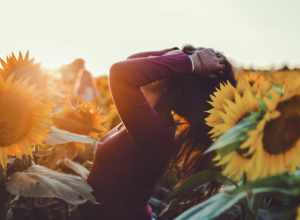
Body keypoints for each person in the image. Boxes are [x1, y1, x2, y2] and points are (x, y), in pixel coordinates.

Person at [86, 46, 236, 220]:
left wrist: (191, 62)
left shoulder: (156, 130)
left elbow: (120, 72)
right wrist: (177, 52)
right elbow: (129, 61)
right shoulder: (145, 116)